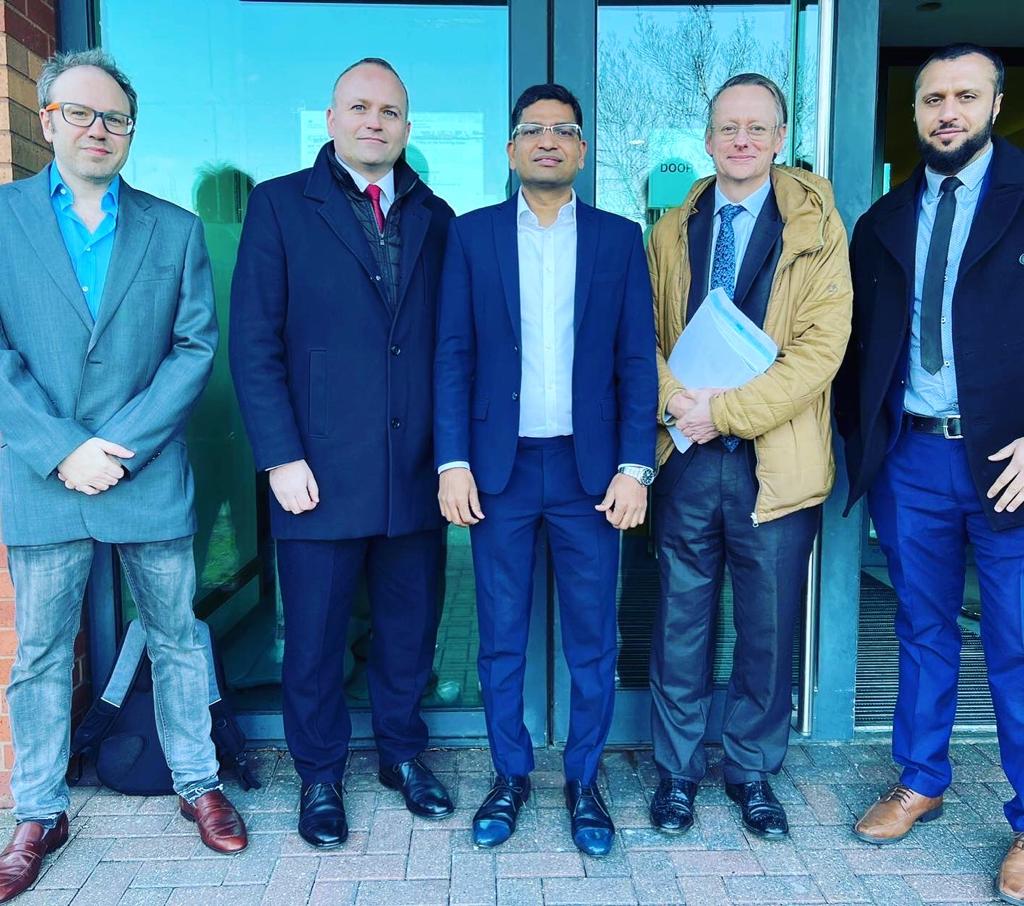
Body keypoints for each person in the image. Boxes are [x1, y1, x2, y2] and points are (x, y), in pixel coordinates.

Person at [0, 49, 247, 902]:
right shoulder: (2, 220)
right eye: (81, 114)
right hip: (43, 474)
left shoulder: (173, 228)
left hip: (144, 472)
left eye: (115, 119)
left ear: (132, 133)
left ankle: (196, 781)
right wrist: (63, 447)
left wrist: (119, 444)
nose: (98, 130)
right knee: (36, 654)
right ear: (47, 121)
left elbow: (192, 349)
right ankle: (36, 809)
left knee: (178, 634)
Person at [229, 58, 455, 849]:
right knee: (318, 638)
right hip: (314, 474)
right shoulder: (280, 205)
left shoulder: (438, 214)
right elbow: (254, 345)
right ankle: (319, 775)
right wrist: (279, 457)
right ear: (330, 118)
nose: (374, 122)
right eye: (359, 107)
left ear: (406, 126)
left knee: (408, 631)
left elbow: (446, 347)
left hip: (414, 471)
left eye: (390, 111)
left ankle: (401, 755)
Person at [434, 83, 658, 856]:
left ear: (582, 150)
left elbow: (636, 362)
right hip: (497, 470)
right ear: (511, 149)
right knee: (499, 639)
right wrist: (452, 460)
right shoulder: (472, 238)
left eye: (564, 131)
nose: (549, 141)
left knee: (593, 641)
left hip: (589, 475)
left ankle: (585, 782)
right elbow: (452, 356)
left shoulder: (619, 239)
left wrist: (637, 467)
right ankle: (510, 774)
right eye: (534, 130)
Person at [834, 44, 1024, 903]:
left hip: (1008, 459)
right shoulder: (883, 218)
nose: (947, 111)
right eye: (932, 99)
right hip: (909, 455)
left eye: (964, 96)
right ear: (914, 112)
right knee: (921, 626)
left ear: (994, 102)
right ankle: (922, 778)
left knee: (1018, 643)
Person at [646, 73, 852, 840]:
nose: (742, 140)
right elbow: (646, 336)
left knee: (766, 632)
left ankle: (752, 771)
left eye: (757, 128)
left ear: (778, 138)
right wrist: (677, 405)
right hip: (688, 458)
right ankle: (676, 773)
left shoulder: (818, 228)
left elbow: (820, 351)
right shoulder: (672, 229)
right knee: (680, 623)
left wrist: (722, 410)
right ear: (707, 139)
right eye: (728, 127)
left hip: (776, 461)